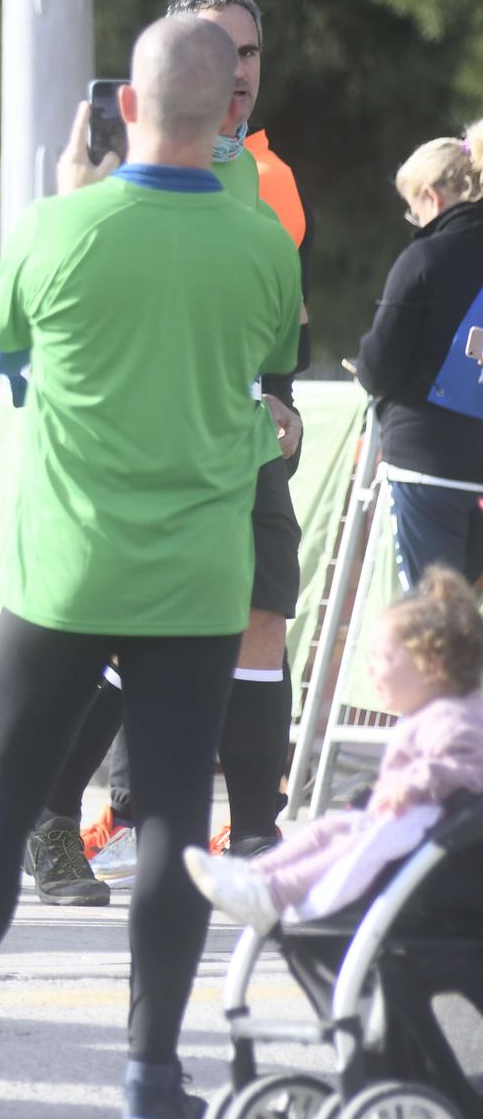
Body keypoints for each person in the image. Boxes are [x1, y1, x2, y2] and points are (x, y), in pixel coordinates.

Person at [0, 15, 302, 1119]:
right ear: (224, 115)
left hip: (65, 571)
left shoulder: (60, 224)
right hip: (198, 575)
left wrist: (66, 188)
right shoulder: (261, 243)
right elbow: (258, 372)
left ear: (128, 110)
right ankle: (151, 1075)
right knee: (166, 820)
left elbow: (3, 353)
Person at [42, 0, 313, 902]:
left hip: (237, 443)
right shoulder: (126, 165)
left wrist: (281, 398)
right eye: (215, 50)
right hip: (134, 454)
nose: (236, 71)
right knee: (120, 643)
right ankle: (50, 817)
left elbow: (279, 323)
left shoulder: (270, 178)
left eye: (249, 52)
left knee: (263, 619)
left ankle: (258, 834)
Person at [187, 565, 483, 932]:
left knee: (351, 841)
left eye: (382, 659)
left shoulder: (459, 716)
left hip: (434, 854)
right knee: (323, 831)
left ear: (432, 665)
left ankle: (275, 892)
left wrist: (417, 782)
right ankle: (252, 878)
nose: (372, 671)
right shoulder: (430, 714)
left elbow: (469, 770)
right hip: (411, 836)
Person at [353, 125, 483, 584]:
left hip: (428, 461)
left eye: (414, 209)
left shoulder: (425, 257)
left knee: (434, 623)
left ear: (432, 195)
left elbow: (379, 368)